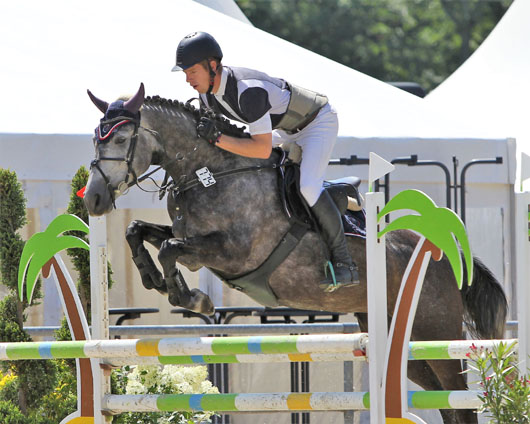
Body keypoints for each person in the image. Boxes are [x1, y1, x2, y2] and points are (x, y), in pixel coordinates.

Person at [172, 31, 359, 289]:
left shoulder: (249, 91)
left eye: (192, 71)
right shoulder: (207, 95)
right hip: (285, 131)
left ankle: (345, 262)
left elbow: (259, 148)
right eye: (185, 72)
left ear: (212, 66)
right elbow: (217, 146)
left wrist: (217, 139)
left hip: (317, 123)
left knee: (308, 186)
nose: (187, 79)